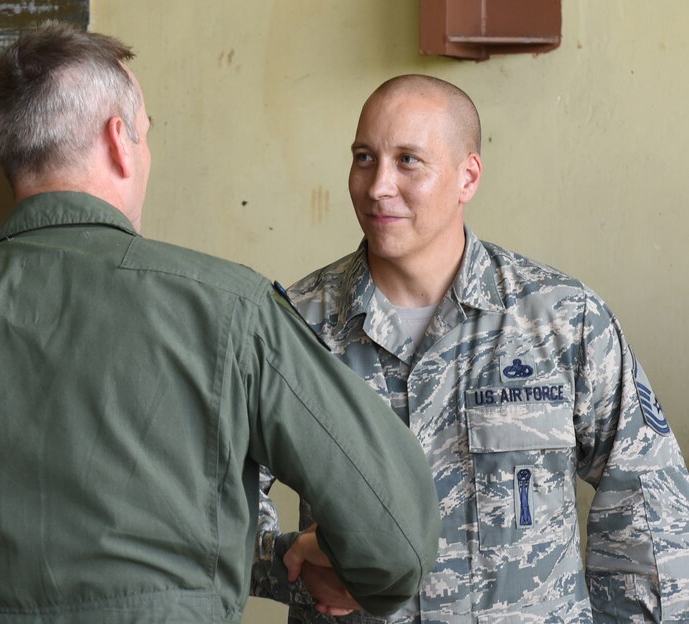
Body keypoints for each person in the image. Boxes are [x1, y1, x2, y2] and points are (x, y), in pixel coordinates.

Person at [0, 26, 442, 623]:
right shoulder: (230, 308)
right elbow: (395, 539)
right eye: (147, 132)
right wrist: (348, 575)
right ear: (120, 141)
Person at [253, 75, 689, 623]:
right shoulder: (293, 328)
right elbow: (210, 496)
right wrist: (292, 568)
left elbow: (650, 508)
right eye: (364, 158)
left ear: (468, 177)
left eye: (408, 161)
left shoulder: (563, 319)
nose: (378, 186)